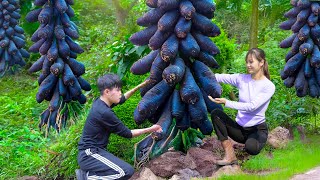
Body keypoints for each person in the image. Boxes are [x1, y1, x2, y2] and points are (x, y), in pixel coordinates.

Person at [76, 73, 162, 180]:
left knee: (125, 171)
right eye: (118, 90)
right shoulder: (104, 113)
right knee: (125, 173)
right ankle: (87, 177)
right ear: (107, 92)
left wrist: (141, 85)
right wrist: (151, 129)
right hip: (89, 154)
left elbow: (122, 99)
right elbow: (128, 134)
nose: (120, 93)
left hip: (97, 152)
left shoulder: (100, 101)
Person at [208, 48, 275, 166]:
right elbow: (219, 77)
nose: (248, 65)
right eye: (247, 62)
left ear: (261, 63)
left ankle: (252, 145)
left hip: (257, 130)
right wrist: (199, 73)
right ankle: (230, 155)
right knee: (216, 114)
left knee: (251, 149)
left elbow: (252, 106)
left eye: (251, 62)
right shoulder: (242, 79)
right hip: (239, 130)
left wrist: (227, 102)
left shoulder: (268, 86)